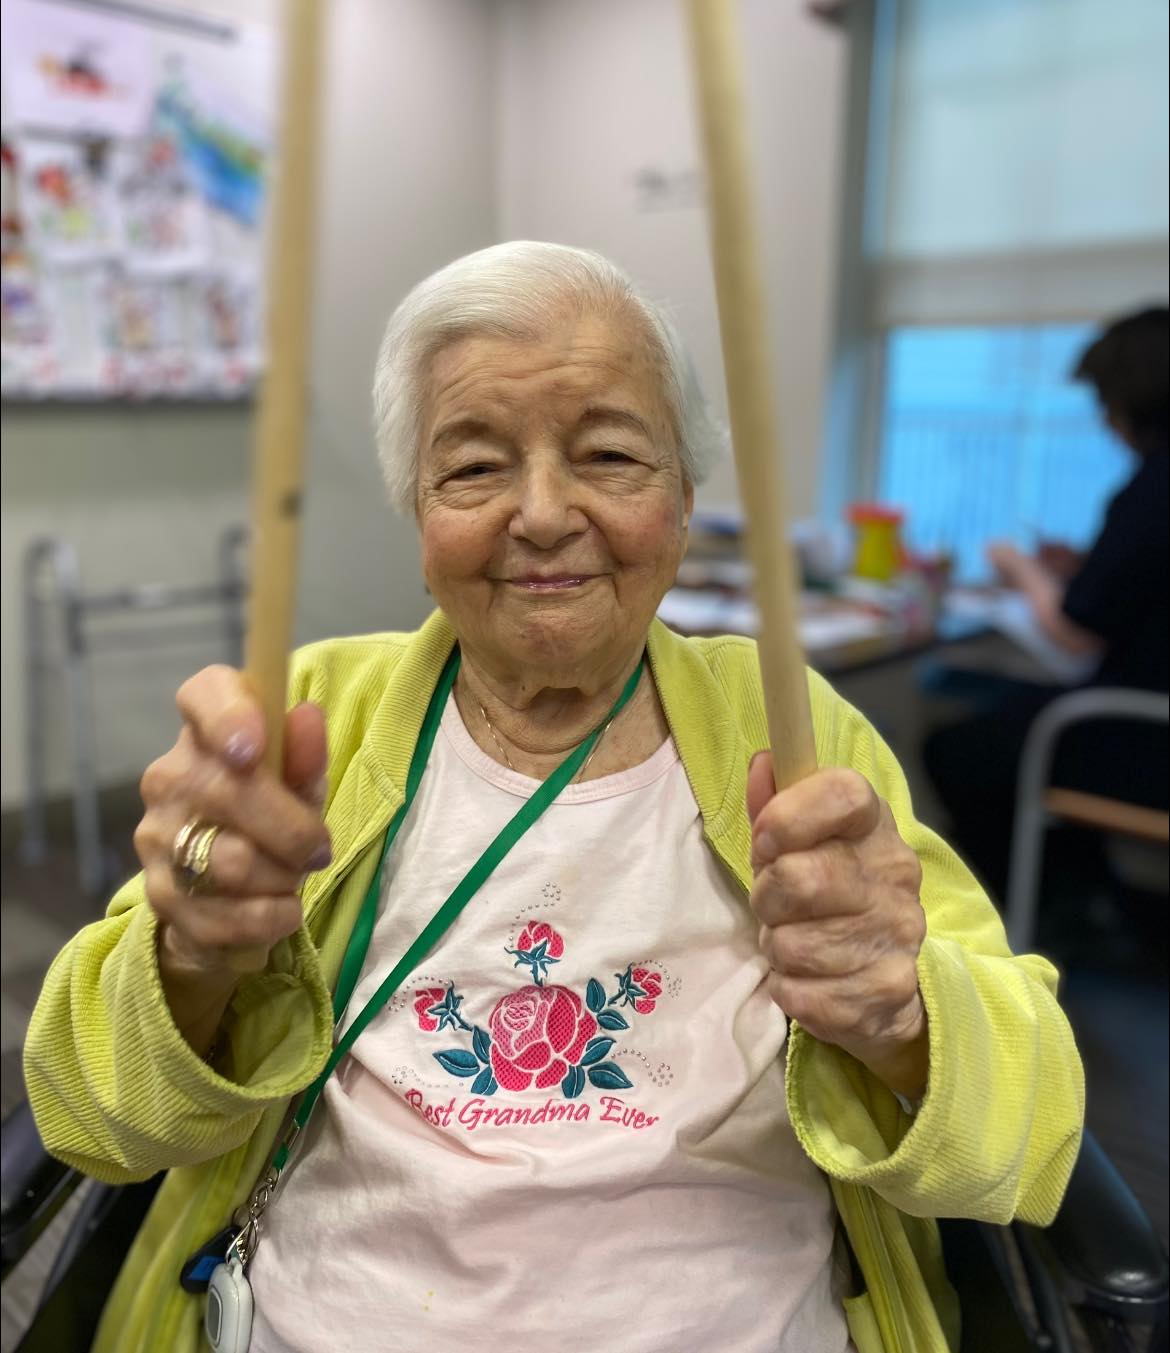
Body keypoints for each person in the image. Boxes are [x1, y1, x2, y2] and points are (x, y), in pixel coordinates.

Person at [24, 243, 1083, 1353]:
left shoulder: (795, 736)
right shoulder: (309, 722)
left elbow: (1033, 1128)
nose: (540, 514)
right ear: (418, 515)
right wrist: (190, 956)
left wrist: (901, 1013)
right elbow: (92, 1114)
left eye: (611, 455)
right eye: (474, 467)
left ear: (684, 499)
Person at [924, 307, 1169, 900]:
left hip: (1138, 737)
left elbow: (1076, 629)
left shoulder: (1153, 487)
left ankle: (1043, 907)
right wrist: (1083, 566)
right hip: (1140, 717)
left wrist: (1021, 568)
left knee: (956, 748)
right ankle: (1086, 895)